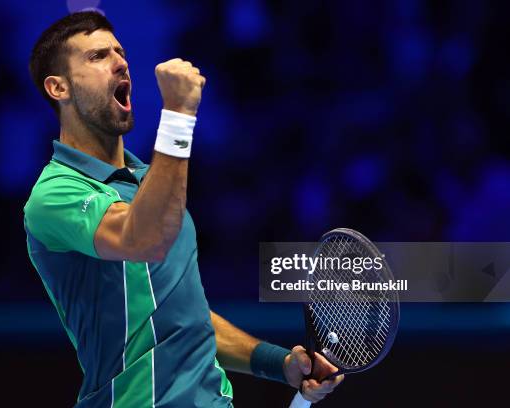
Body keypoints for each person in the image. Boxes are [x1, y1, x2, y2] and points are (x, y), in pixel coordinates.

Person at [24, 10, 343, 407]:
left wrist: (278, 364)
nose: (121, 61)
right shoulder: (55, 193)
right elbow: (143, 239)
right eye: (97, 56)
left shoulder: (151, 180)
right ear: (58, 88)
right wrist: (177, 115)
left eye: (120, 52)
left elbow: (181, 318)